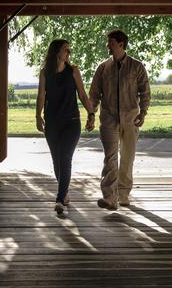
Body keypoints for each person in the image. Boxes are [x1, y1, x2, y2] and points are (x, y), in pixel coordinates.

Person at [87, 30, 150, 210]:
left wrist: (143, 112)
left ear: (121, 44)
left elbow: (145, 92)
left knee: (127, 158)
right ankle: (109, 197)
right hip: (108, 119)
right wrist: (91, 115)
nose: (108, 46)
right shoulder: (102, 68)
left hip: (131, 119)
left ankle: (123, 194)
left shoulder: (137, 67)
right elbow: (94, 94)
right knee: (110, 157)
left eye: (111, 43)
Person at [36, 39, 95, 215]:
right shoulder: (45, 73)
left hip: (71, 122)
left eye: (69, 50)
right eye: (65, 50)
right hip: (52, 123)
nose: (68, 53)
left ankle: (60, 199)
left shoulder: (73, 71)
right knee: (57, 161)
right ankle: (65, 193)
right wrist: (37, 116)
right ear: (56, 52)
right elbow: (41, 97)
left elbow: (83, 95)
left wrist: (91, 114)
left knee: (65, 158)